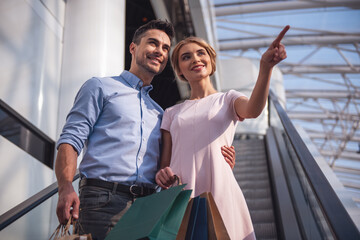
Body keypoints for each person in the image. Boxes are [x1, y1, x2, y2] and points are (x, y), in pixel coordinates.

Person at [54, 19, 236, 240]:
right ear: (133, 47)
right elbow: (71, 139)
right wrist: (65, 187)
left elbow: (175, 158)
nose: (159, 51)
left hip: (150, 208)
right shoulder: (100, 87)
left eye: (165, 48)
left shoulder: (160, 113)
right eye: (152, 43)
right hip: (103, 201)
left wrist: (220, 156)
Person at [155, 26, 290, 239]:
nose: (195, 59)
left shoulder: (228, 99)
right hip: (180, 193)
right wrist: (163, 174)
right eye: (186, 57)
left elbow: (253, 109)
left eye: (201, 53)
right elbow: (164, 163)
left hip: (220, 188)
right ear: (179, 70)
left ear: (211, 60)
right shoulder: (171, 113)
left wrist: (265, 69)